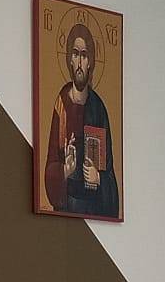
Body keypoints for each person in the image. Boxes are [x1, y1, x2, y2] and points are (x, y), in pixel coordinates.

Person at [41, 20, 119, 218]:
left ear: (90, 61)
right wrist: (64, 170)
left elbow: (110, 174)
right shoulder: (61, 105)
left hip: (94, 209)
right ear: (69, 59)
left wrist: (98, 178)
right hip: (67, 209)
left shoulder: (98, 109)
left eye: (84, 55)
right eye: (75, 54)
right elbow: (50, 166)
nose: (79, 62)